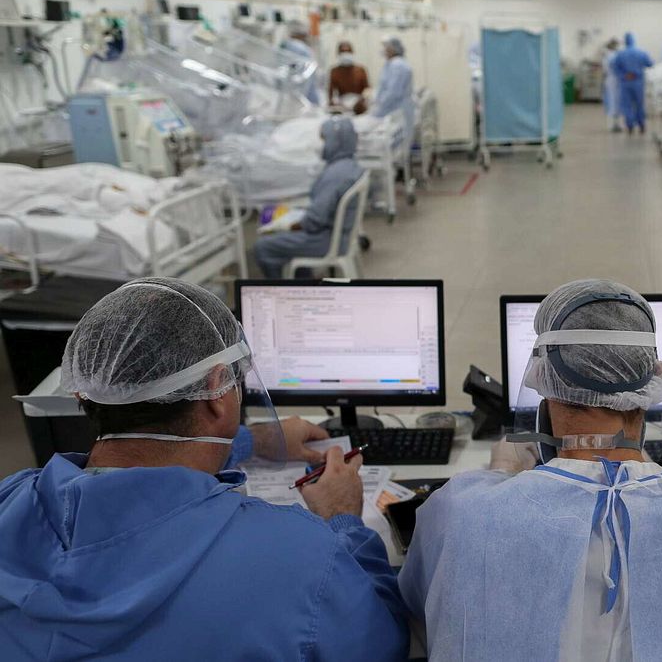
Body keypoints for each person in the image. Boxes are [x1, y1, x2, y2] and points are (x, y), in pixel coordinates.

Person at [0, 278, 408, 660]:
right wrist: (344, 523)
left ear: (88, 388)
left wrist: (254, 440)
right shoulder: (304, 557)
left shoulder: (11, 501)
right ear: (217, 389)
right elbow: (381, 643)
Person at [399, 280, 662, 660]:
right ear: (654, 382)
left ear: (544, 384)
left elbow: (418, 599)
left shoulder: (459, 513)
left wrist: (502, 473)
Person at [254, 117, 364, 279]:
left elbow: (315, 220)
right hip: (341, 235)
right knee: (284, 237)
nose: (320, 144)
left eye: (324, 139)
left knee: (263, 247)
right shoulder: (349, 165)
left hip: (326, 240)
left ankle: (282, 294)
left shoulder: (335, 175)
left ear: (335, 141)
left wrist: (292, 226)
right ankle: (303, 281)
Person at [610, 33, 654, 134]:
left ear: (625, 41)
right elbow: (650, 64)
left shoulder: (620, 54)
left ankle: (630, 126)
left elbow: (615, 68)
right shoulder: (641, 53)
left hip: (625, 82)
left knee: (627, 105)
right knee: (639, 104)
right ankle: (641, 125)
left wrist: (624, 75)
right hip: (638, 82)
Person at [373, 35, 415, 133]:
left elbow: (393, 92)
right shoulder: (392, 64)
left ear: (393, 49)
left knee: (400, 144)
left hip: (397, 111)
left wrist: (379, 109)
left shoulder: (398, 65)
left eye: (386, 47)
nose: (384, 50)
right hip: (395, 111)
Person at [281, 20, 320, 105]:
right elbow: (305, 78)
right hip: (302, 97)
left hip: (289, 97)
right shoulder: (302, 49)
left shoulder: (285, 46)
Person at [329, 41, 370, 114]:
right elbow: (331, 92)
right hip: (342, 104)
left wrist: (362, 99)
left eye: (348, 51)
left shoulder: (360, 70)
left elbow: (367, 89)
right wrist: (334, 102)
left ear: (352, 53)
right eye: (343, 52)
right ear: (338, 54)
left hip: (358, 104)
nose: (345, 54)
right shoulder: (334, 71)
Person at [602, 38, 622, 132]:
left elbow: (605, 70)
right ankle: (613, 125)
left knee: (613, 102)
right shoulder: (612, 55)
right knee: (614, 102)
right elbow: (606, 69)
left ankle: (614, 125)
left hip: (611, 79)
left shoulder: (609, 56)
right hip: (614, 79)